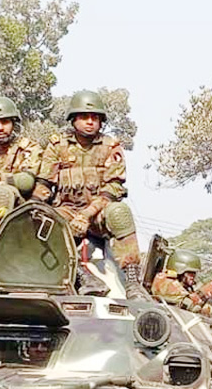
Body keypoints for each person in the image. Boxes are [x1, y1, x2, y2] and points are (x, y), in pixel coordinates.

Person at [38, 90, 145, 298]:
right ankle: (80, 275)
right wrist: (33, 207)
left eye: (95, 118)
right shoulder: (57, 147)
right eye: (84, 117)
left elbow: (113, 189)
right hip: (66, 211)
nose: (90, 122)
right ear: (73, 119)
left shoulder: (110, 147)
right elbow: (44, 184)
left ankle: (133, 282)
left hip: (98, 214)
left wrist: (86, 215)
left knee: (120, 211)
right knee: (44, 220)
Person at [0, 96, 44, 201]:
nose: (0, 128)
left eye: (5, 122)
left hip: (20, 208)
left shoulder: (28, 148)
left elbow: (25, 182)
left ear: (13, 124)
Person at [151, 249, 212, 318]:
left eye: (194, 273)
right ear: (180, 270)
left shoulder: (182, 286)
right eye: (190, 273)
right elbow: (192, 305)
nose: (193, 276)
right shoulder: (166, 281)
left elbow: (199, 305)